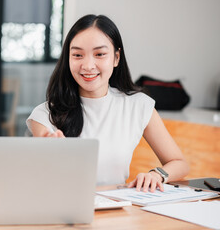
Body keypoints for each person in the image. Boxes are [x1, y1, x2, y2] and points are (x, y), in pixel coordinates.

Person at [26, 14, 189, 192]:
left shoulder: (138, 105)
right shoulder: (44, 114)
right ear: (68, 59)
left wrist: (156, 174)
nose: (88, 65)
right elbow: (44, 178)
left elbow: (179, 163)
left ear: (116, 58)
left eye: (100, 54)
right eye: (78, 55)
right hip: (66, 208)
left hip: (118, 209)